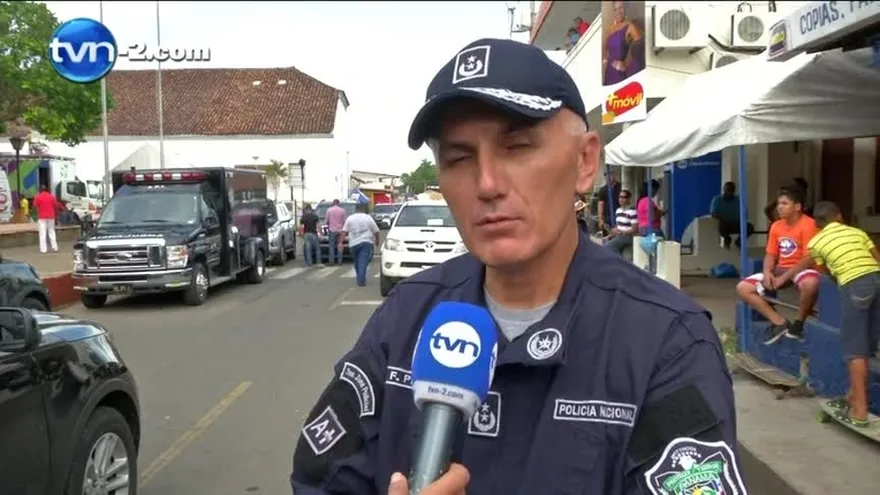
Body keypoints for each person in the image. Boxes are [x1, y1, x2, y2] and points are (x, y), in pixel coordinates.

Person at [290, 38, 743, 495]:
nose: (487, 184)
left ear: (585, 162)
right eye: (459, 158)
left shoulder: (665, 340)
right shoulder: (405, 316)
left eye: (518, 146)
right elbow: (320, 481)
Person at [793, 201, 880, 427]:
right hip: (876, 280)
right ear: (839, 216)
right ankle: (853, 394)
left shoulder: (817, 242)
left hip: (855, 286)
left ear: (818, 224)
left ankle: (860, 410)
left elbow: (829, 271)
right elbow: (876, 259)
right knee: (869, 342)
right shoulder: (857, 232)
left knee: (854, 350)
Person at [736, 186, 820, 344]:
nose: (779, 207)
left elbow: (809, 258)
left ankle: (798, 323)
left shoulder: (810, 225)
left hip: (803, 269)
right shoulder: (776, 226)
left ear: (797, 207)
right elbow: (771, 254)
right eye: (778, 204)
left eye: (784, 203)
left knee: (810, 283)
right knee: (743, 287)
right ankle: (780, 323)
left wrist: (784, 278)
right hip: (781, 269)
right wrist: (767, 272)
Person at [603, 1, 645, 87]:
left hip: (619, 74)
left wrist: (626, 64)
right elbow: (607, 50)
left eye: (621, 8)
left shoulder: (630, 26)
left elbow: (640, 47)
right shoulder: (611, 28)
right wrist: (605, 61)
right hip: (608, 73)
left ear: (625, 8)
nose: (618, 12)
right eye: (615, 9)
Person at [339, 203, 379, 287]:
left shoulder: (350, 218)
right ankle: (361, 279)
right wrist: (377, 241)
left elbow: (344, 231)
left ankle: (360, 278)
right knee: (363, 262)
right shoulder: (368, 218)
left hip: (353, 243)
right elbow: (376, 231)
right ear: (364, 209)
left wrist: (340, 242)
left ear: (356, 209)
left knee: (357, 262)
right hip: (366, 242)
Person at [710, 181, 755, 249]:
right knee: (722, 225)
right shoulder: (717, 200)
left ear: (733, 191)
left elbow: (745, 214)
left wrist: (743, 219)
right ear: (723, 190)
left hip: (737, 223)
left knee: (750, 227)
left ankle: (739, 242)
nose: (728, 192)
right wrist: (723, 217)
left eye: (730, 190)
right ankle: (727, 240)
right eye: (726, 190)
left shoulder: (739, 200)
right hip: (724, 223)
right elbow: (713, 214)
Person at [604, 189, 637, 255]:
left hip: (628, 236)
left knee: (606, 247)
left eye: (623, 197)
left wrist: (623, 232)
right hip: (619, 236)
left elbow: (635, 228)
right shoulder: (618, 211)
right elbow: (618, 226)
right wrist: (609, 235)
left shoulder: (632, 211)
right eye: (620, 197)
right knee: (605, 241)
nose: (621, 199)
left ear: (628, 199)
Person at [33, 185, 59, 253]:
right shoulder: (52, 197)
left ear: (40, 190)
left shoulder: (37, 197)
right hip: (51, 216)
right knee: (51, 231)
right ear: (47, 189)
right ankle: (55, 247)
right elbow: (56, 206)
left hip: (41, 217)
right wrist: (56, 217)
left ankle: (43, 249)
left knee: (42, 233)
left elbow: (34, 206)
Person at [325, 199, 346, 265]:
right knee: (340, 245)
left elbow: (327, 221)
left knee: (331, 246)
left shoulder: (329, 210)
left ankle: (331, 261)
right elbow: (344, 221)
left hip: (332, 230)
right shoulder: (342, 210)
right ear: (338, 203)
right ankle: (340, 261)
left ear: (333, 203)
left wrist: (329, 226)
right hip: (340, 230)